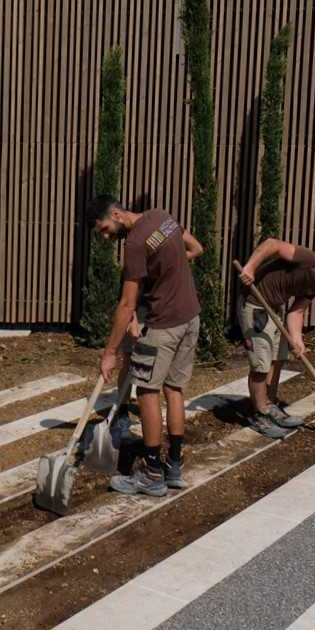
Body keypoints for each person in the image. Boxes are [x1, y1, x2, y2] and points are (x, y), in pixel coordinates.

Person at [86, 195, 203, 497]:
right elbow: (195, 248)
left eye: (104, 229)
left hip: (164, 325)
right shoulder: (162, 217)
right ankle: (173, 466)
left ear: (116, 213)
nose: (105, 236)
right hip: (190, 317)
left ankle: (152, 474)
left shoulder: (135, 244)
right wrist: (166, 271)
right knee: (174, 390)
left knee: (147, 392)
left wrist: (109, 352)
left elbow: (127, 305)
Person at [237, 239, 315, 438]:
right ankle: (259, 414)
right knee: (260, 365)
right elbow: (272, 244)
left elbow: (297, 311)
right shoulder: (309, 260)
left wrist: (297, 340)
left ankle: (269, 406)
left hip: (275, 309)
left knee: (278, 359)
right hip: (255, 305)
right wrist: (250, 267)